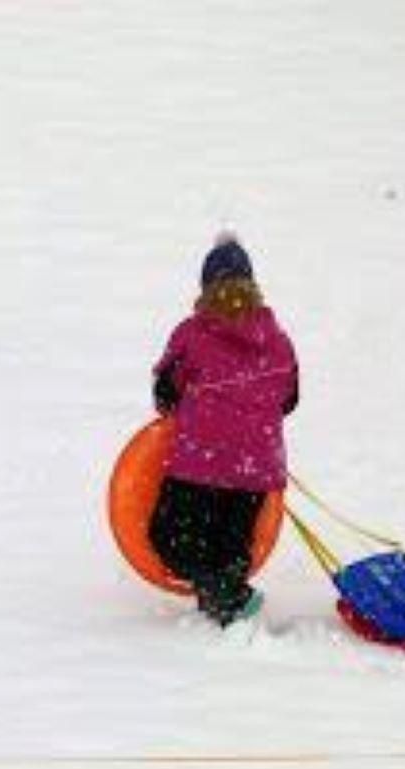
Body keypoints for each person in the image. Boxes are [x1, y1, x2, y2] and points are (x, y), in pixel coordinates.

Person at [149, 233, 298, 626]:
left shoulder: (191, 333)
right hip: (255, 467)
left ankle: (227, 596)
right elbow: (289, 398)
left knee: (171, 540)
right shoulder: (278, 340)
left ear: (205, 286)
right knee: (230, 548)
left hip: (200, 462)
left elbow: (165, 391)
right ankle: (226, 603)